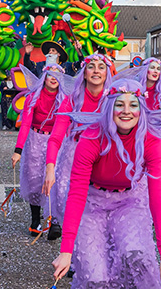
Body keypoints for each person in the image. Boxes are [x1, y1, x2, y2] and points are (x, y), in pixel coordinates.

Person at [51, 79, 161, 289]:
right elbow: (75, 194)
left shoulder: (152, 142)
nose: (126, 111)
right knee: (94, 273)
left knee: (134, 253)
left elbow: (158, 199)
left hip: (130, 202)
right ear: (109, 108)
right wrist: (66, 249)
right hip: (93, 204)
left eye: (133, 105)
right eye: (120, 105)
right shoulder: (90, 139)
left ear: (141, 109)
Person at [43, 53, 112, 236]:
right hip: (73, 157)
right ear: (84, 72)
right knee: (72, 208)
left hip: (103, 157)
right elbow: (56, 137)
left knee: (99, 210)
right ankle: (73, 257)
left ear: (107, 73)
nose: (96, 70)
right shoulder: (71, 100)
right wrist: (50, 168)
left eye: (101, 67)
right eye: (91, 66)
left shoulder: (114, 101)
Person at [12, 63, 71, 238]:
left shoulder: (66, 99)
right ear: (44, 77)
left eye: (58, 75)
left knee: (57, 181)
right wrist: (18, 150)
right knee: (34, 180)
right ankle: (35, 220)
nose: (54, 78)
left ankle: (55, 222)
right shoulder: (33, 98)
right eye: (50, 74)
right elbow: (25, 126)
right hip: (35, 141)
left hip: (58, 142)